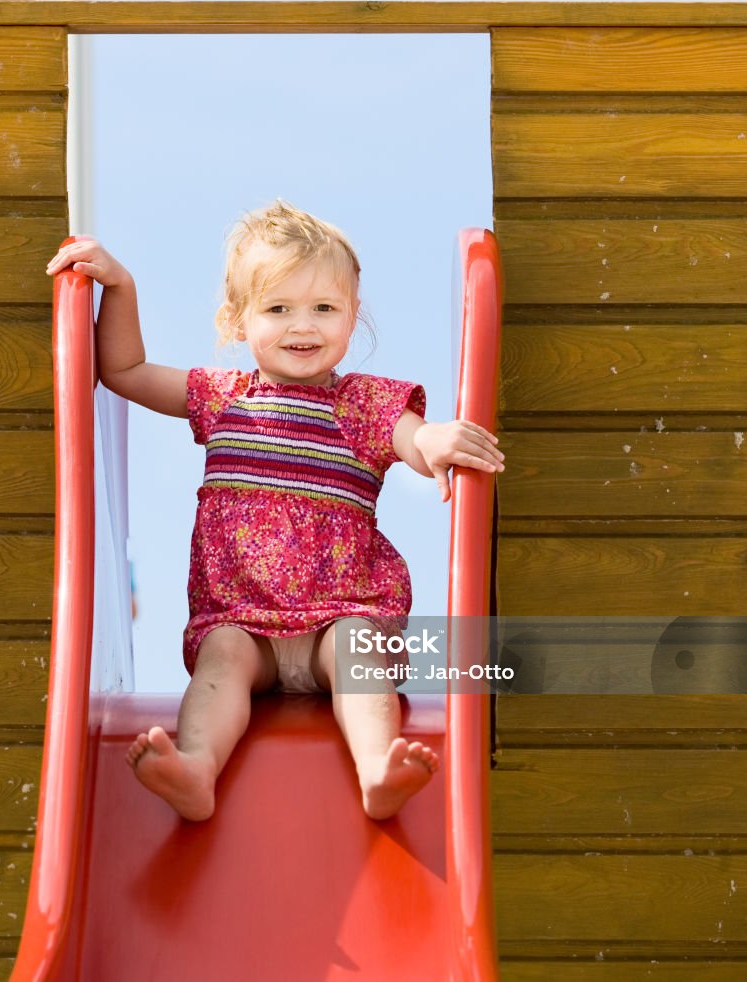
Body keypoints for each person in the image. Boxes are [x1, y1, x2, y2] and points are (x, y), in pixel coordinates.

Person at [45, 201, 504, 822]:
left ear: (353, 314)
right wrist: (121, 286)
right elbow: (123, 370)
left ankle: (377, 769)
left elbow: (413, 439)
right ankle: (196, 769)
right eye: (278, 308)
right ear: (237, 320)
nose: (303, 326)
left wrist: (437, 441)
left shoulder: (363, 403)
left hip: (342, 613)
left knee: (358, 652)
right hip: (243, 622)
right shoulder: (221, 398)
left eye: (324, 307)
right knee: (220, 664)